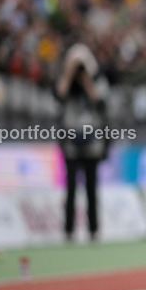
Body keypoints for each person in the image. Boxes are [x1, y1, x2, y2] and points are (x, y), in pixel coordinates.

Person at [55, 44, 110, 242]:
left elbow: (102, 104)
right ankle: (68, 230)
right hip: (71, 143)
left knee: (91, 189)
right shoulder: (66, 83)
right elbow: (58, 97)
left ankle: (93, 230)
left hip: (92, 143)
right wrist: (69, 75)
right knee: (70, 188)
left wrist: (88, 83)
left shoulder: (97, 81)